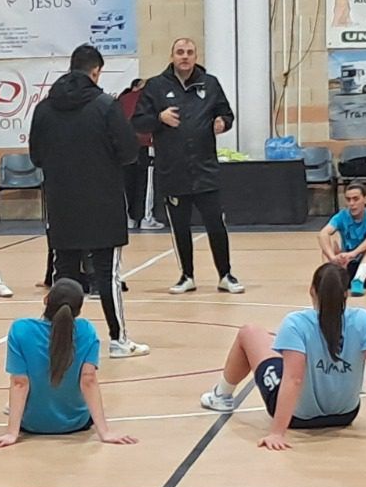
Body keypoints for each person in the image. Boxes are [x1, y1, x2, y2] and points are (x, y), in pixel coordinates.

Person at [200, 263, 366, 450]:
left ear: (311, 291)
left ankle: (222, 395)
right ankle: (223, 395)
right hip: (346, 415)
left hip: (299, 418)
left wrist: (277, 432)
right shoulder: (363, 320)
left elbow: (293, 379)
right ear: (347, 294)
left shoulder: (296, 323)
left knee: (249, 332)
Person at [29, 43, 149, 357]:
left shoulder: (43, 108)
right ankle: (119, 339)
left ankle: (57, 342)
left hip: (62, 204)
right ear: (95, 71)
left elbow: (36, 156)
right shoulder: (105, 106)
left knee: (64, 274)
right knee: (107, 273)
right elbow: (128, 152)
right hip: (103, 203)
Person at [131, 37, 242, 295]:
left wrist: (222, 123)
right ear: (172, 56)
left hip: (205, 169)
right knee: (180, 227)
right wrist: (159, 118)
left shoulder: (210, 83)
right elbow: (138, 121)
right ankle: (187, 276)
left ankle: (225, 275)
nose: (185, 56)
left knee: (216, 224)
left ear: (195, 56)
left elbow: (227, 114)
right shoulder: (156, 86)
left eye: (190, 52)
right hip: (173, 171)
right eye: (180, 52)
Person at [0, 279, 138, 449]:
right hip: (76, 423)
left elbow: (20, 383)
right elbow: (88, 380)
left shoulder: (20, 329)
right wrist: (105, 432)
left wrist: (12, 433)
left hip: (31, 424)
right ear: (78, 310)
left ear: (46, 300)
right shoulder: (86, 330)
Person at [319, 182, 366, 297]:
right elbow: (323, 234)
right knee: (327, 246)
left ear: (365, 199)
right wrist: (332, 257)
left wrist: (354, 253)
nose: (352, 204)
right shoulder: (341, 216)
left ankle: (359, 280)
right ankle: (330, 280)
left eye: (356, 199)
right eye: (348, 199)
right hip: (349, 266)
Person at [117, 77, 163, 231]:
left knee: (127, 183)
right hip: (145, 144)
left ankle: (129, 218)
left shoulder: (122, 99)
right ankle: (146, 218)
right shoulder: (151, 98)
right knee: (146, 183)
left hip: (124, 146)